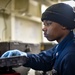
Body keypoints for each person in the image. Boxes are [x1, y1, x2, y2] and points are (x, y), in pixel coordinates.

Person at [1, 3, 75, 75]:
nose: (43, 28)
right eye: (44, 24)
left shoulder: (70, 55)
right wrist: (25, 57)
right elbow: (45, 60)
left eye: (49, 23)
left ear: (64, 25)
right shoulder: (61, 47)